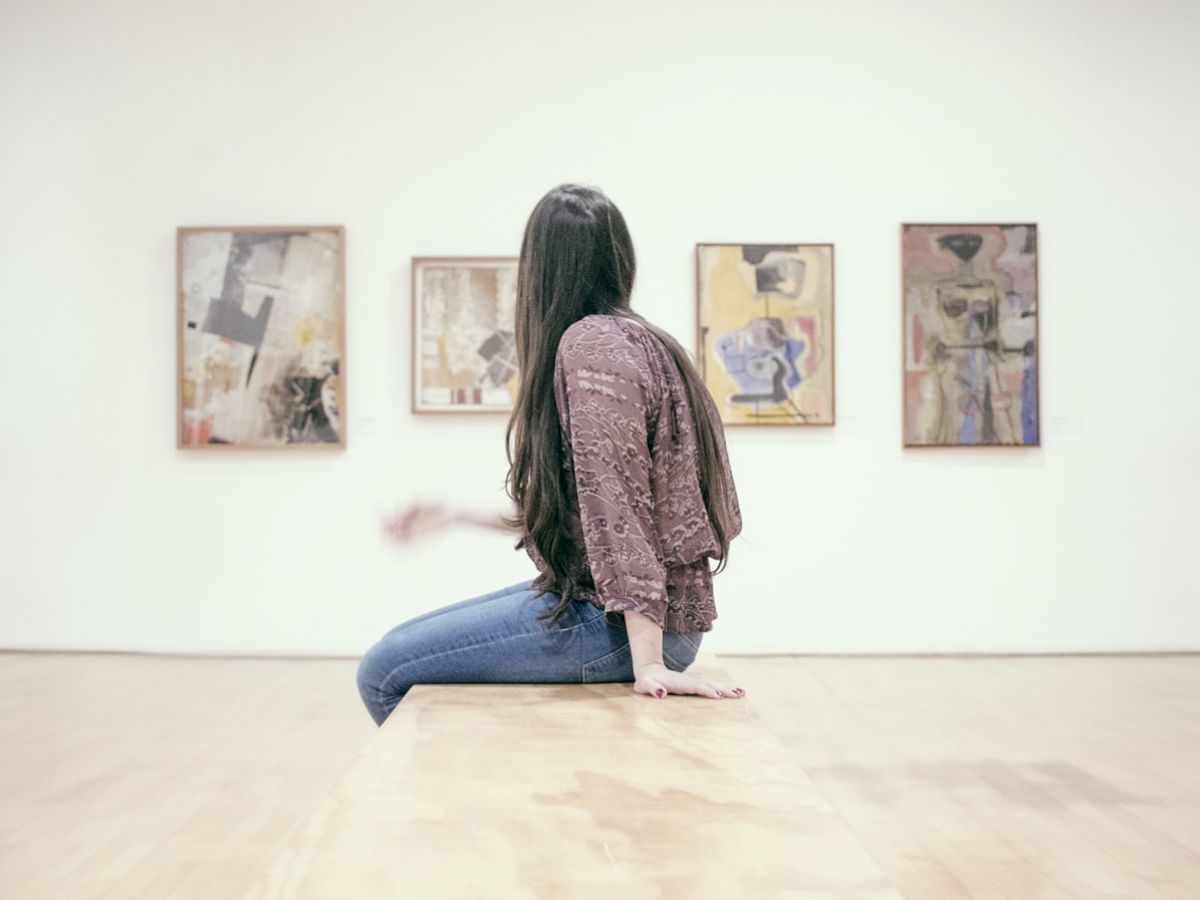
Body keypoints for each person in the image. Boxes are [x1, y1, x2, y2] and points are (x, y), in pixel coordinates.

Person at [356, 184, 745, 726]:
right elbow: (589, 512)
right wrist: (455, 514)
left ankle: (475, 804)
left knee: (384, 670)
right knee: (398, 650)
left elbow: (619, 508)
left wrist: (650, 663)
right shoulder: (641, 340)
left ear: (539, 269)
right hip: (624, 612)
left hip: (622, 626)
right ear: (619, 257)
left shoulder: (591, 347)